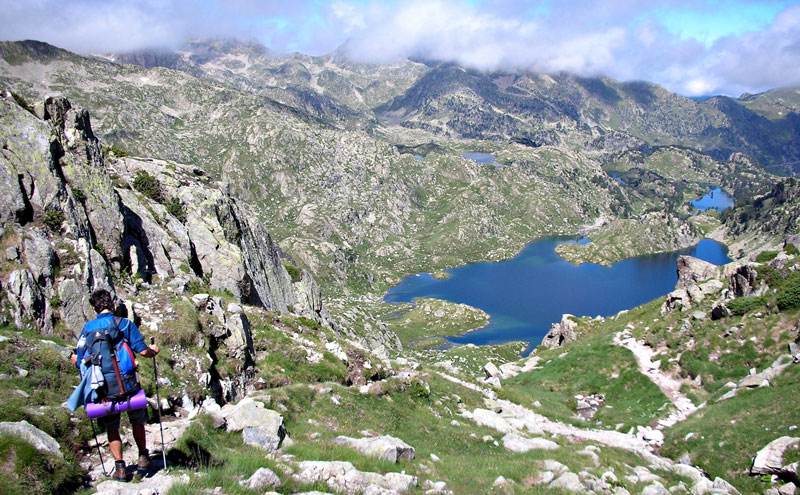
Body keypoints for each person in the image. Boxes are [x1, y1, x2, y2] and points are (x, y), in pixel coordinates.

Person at [70, 289, 160, 482]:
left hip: (102, 389)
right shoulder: (124, 323)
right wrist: (154, 351)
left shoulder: (87, 329)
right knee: (137, 420)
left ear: (94, 307)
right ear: (111, 304)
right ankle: (143, 457)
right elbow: (142, 352)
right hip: (128, 385)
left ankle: (120, 468)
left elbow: (78, 359)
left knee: (112, 427)